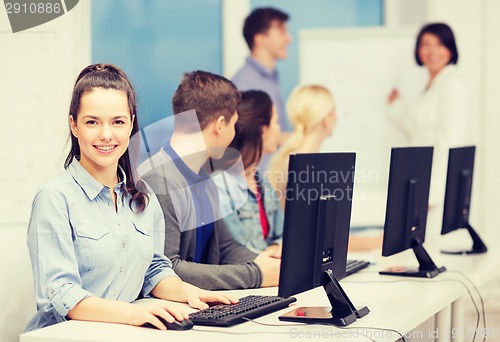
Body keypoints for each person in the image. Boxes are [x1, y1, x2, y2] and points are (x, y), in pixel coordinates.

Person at [25, 64, 237, 332]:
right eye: (92, 122)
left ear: (131, 125)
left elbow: (153, 270)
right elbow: (61, 295)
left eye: (117, 122)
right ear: (74, 126)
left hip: (124, 333)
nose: (106, 134)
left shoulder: (143, 197)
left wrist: (191, 294)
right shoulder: (54, 199)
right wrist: (136, 313)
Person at [139, 71, 280, 291]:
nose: (234, 134)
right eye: (233, 124)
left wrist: (266, 262)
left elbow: (226, 248)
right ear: (220, 125)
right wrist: (255, 274)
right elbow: (167, 270)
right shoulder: (159, 182)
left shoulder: (205, 178)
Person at [267, 84, 382, 251]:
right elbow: (315, 238)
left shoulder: (295, 158)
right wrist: (374, 242)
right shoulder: (303, 165)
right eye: (333, 112)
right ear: (326, 119)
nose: (337, 117)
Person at [387, 23, 470, 241]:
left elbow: (449, 144)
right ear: (418, 50)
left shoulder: (452, 86)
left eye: (440, 44)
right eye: (426, 44)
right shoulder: (430, 86)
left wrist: (431, 195)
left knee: (431, 249)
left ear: (450, 49)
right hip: (423, 185)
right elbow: (418, 132)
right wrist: (397, 107)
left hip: (437, 193)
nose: (432, 51)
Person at [213, 90, 283, 255]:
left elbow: (282, 235)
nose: (279, 129)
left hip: (272, 275)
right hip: (250, 277)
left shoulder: (262, 182)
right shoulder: (221, 185)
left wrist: (274, 249)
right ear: (262, 130)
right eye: (276, 122)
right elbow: (235, 253)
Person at [232, 7, 292, 146]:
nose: (289, 39)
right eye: (282, 32)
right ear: (260, 39)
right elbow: (250, 136)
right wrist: (300, 138)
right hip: (258, 167)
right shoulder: (244, 84)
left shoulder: (272, 78)